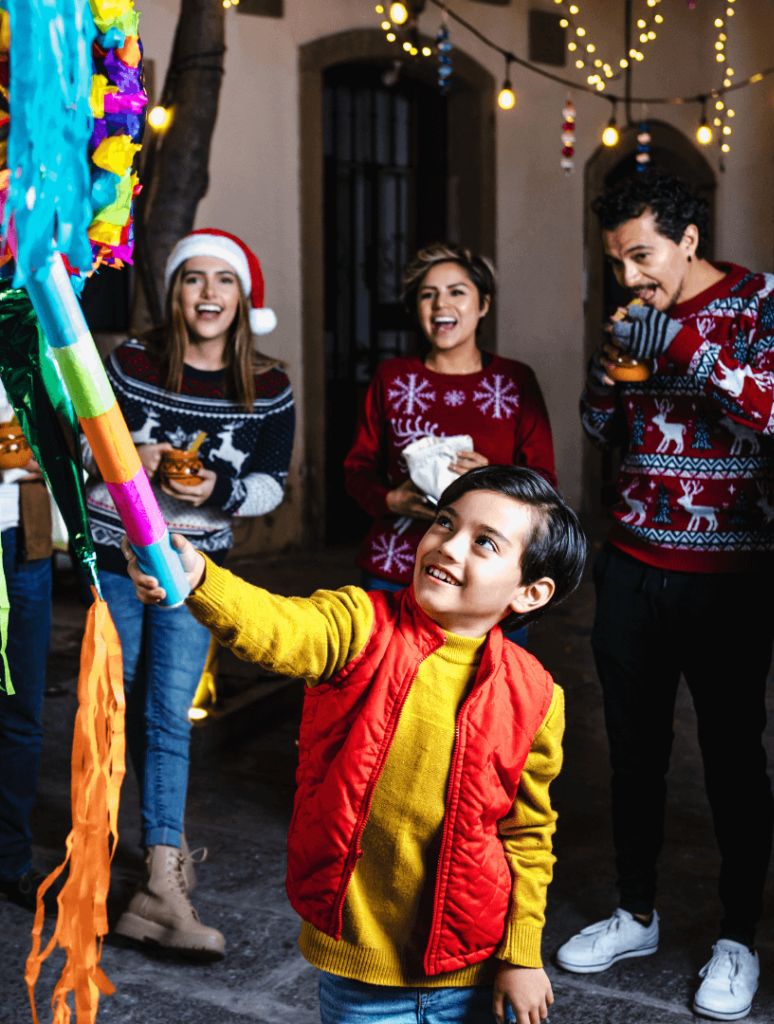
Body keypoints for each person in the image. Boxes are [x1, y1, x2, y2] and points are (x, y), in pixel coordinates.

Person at [121, 465, 587, 1024]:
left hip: (477, 969)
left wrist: (522, 954)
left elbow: (527, 835)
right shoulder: (360, 623)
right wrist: (201, 579)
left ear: (530, 593)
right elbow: (280, 626)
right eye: (444, 522)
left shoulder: (537, 696)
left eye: (484, 542)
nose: (446, 546)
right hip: (363, 980)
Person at [560, 172, 774, 1021]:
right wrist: (606, 374)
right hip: (632, 565)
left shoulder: (766, 302)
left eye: (642, 255)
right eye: (617, 260)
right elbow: (599, 431)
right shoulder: (633, 316)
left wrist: (679, 345)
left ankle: (737, 936)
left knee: (734, 758)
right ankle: (635, 912)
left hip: (728, 578)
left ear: (689, 240)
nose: (630, 276)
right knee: (632, 753)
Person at [81, 229, 295, 959]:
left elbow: (271, 484)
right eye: (193, 280)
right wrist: (124, 455)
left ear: (243, 298)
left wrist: (217, 486)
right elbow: (79, 436)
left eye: (223, 281)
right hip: (114, 557)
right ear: (173, 293)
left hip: (194, 572)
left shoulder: (269, 385)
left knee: (166, 713)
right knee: (113, 708)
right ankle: (96, 860)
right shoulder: (132, 363)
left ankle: (162, 878)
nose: (208, 294)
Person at [344, 243, 557, 646]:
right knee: (388, 694)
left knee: (488, 699)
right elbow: (357, 470)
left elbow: (544, 484)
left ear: (483, 305)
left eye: (457, 291)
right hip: (396, 570)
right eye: (428, 294)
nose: (441, 304)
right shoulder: (391, 378)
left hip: (489, 579)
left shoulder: (515, 382)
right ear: (416, 309)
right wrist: (392, 501)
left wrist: (489, 478)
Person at [0, 380, 55, 913]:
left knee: (21, 713)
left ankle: (11, 860)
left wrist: (52, 456)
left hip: (24, 541)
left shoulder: (30, 334)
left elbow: (78, 447)